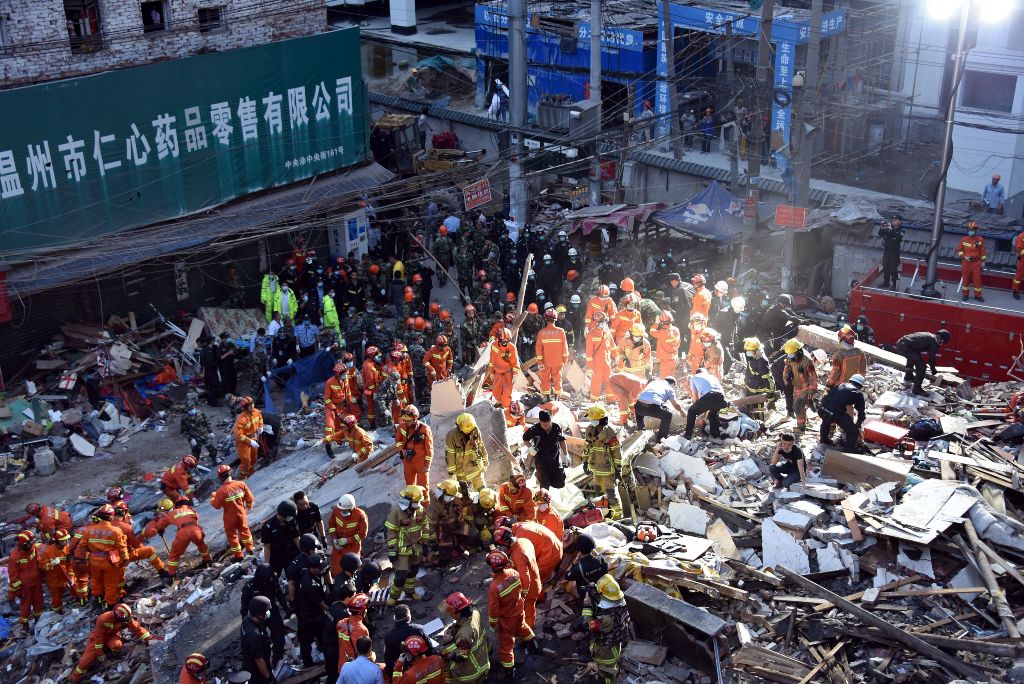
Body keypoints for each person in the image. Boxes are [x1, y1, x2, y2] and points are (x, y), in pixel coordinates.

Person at [485, 550, 537, 680]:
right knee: (523, 627)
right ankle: (533, 645)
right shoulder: (514, 573)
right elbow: (519, 590)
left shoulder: (494, 587)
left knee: (506, 644)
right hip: (519, 610)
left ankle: (509, 673)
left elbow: (493, 609)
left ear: (493, 567)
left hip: (507, 618)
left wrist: (492, 624)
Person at [71, 603, 156, 681]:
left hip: (112, 635)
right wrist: (100, 653)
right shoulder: (103, 619)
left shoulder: (126, 618)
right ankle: (75, 678)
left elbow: (137, 629)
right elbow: (99, 637)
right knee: (86, 659)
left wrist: (149, 639)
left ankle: (112, 655)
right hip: (98, 637)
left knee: (117, 645)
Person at [142, 497, 212, 577]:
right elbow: (193, 521)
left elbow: (162, 523)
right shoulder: (193, 511)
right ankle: (208, 560)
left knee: (174, 554)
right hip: (196, 530)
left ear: (177, 505)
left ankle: (171, 575)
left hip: (183, 533)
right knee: (201, 545)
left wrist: (160, 529)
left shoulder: (173, 513)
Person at [79, 504, 130, 608]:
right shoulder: (116, 531)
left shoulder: (89, 530)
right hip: (109, 562)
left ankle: (97, 599)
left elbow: (83, 547)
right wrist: (125, 559)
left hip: (94, 561)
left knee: (95, 581)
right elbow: (122, 548)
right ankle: (109, 605)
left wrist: (89, 555)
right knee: (110, 584)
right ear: (111, 517)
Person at [582, 405, 626, 519]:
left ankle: (618, 518)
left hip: (608, 470)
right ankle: (604, 517)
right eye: (591, 420)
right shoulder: (589, 430)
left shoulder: (610, 433)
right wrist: (585, 462)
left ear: (602, 420)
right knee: (599, 495)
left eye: (594, 420)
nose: (592, 422)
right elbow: (586, 446)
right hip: (596, 469)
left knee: (612, 496)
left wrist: (618, 470)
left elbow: (617, 453)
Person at [586, 575, 631, 684]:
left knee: (605, 675)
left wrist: (586, 606)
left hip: (605, 655)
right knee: (612, 668)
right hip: (616, 646)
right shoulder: (621, 603)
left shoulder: (605, 621)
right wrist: (595, 593)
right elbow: (607, 602)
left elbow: (588, 625)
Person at [385, 485, 426, 606]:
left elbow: (425, 526)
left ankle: (410, 591)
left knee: (413, 571)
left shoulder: (420, 509)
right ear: (409, 501)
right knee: (401, 576)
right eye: (415, 502)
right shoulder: (396, 511)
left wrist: (427, 544)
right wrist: (392, 551)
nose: (418, 504)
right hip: (401, 550)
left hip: (416, 548)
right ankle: (394, 596)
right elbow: (391, 532)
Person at [240, 565, 286, 667]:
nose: (268, 580)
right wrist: (246, 623)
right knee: (263, 643)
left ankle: (276, 662)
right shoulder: (249, 587)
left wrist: (287, 609)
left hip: (272, 611)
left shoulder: (272, 579)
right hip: (258, 617)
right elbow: (244, 607)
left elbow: (279, 595)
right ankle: (265, 665)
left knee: (279, 638)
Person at [439, 591, 490, 683]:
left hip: (471, 674)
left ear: (458, 613)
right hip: (483, 660)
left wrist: (448, 643)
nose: (450, 615)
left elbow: (461, 656)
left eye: (451, 613)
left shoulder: (463, 636)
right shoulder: (475, 612)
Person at [210, 465, 255, 560]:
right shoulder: (241, 484)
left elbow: (216, 506)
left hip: (229, 518)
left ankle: (239, 556)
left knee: (232, 535)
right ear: (230, 472)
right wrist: (249, 506)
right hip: (241, 513)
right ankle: (250, 549)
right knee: (245, 531)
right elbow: (250, 497)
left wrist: (213, 497)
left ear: (220, 477)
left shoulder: (220, 491)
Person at [295, 553, 330, 667]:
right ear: (312, 568)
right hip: (308, 616)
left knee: (320, 634)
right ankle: (308, 664)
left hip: (316, 612)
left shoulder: (316, 572)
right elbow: (321, 604)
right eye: (319, 568)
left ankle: (321, 650)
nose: (322, 570)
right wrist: (332, 612)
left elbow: (327, 572)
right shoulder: (309, 584)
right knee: (306, 641)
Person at [445, 413, 489, 495]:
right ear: (459, 427)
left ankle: (485, 502)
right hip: (461, 470)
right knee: (463, 493)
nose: (468, 432)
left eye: (469, 430)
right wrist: (452, 474)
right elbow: (450, 456)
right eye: (465, 431)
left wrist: (485, 462)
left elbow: (481, 447)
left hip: (475, 466)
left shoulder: (475, 431)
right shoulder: (451, 436)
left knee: (482, 489)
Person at [523, 409, 569, 489]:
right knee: (545, 485)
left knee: (560, 484)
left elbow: (562, 441)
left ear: (551, 421)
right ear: (540, 422)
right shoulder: (534, 429)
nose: (546, 427)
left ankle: (545, 479)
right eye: (543, 425)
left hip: (555, 459)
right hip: (541, 460)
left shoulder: (556, 427)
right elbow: (525, 439)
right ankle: (540, 478)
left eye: (548, 424)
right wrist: (531, 448)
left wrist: (566, 455)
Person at [819, 374, 866, 451]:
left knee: (826, 421)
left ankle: (823, 440)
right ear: (860, 385)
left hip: (822, 409)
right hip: (835, 413)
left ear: (850, 380)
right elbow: (861, 412)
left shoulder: (840, 385)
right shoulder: (858, 393)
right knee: (853, 431)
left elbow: (829, 396)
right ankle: (848, 449)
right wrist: (858, 424)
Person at [896, 329, 950, 396]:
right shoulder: (934, 342)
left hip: (902, 344)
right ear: (942, 339)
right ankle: (916, 389)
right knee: (922, 366)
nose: (941, 344)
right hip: (905, 346)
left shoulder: (930, 336)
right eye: (943, 342)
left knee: (914, 357)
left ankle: (908, 376)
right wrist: (933, 369)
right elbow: (931, 358)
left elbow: (915, 346)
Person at [7, 530, 43, 628]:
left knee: (39, 602)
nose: (32, 545)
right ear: (23, 544)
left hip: (36, 582)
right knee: (25, 606)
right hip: (25, 587)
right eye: (30, 544)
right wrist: (19, 589)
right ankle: (25, 624)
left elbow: (38, 559)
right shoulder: (15, 557)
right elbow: (13, 575)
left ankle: (38, 620)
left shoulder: (33, 548)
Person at [383, 604, 428, 682]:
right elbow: (430, 649)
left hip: (403, 673)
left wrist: (391, 678)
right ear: (408, 617)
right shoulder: (419, 629)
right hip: (422, 667)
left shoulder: (389, 637)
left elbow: (389, 660)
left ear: (395, 618)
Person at [634, 376, 686, 442]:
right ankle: (661, 439)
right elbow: (675, 405)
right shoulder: (670, 388)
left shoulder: (654, 382)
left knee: (639, 413)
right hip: (651, 407)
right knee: (668, 415)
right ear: (672, 384)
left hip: (638, 406)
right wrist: (681, 411)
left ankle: (640, 431)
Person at [782, 339, 818, 431]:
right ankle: (805, 418)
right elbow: (786, 369)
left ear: (798, 352)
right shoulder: (789, 359)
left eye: (792, 354)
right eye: (789, 354)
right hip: (796, 387)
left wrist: (812, 390)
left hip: (806, 387)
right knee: (800, 407)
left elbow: (813, 377)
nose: (790, 356)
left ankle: (801, 427)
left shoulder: (807, 361)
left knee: (798, 406)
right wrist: (786, 377)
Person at [328, 494, 368, 576]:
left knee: (352, 568)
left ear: (352, 507)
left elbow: (363, 534)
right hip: (338, 544)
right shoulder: (336, 511)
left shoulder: (360, 515)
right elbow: (331, 525)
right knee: (336, 568)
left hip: (353, 546)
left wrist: (348, 540)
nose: (343, 512)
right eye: (341, 510)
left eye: (345, 510)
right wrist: (334, 539)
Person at [684, 368, 728, 441]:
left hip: (710, 396)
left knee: (691, 411)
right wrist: (704, 412)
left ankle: (687, 435)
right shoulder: (712, 377)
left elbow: (695, 397)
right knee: (712, 415)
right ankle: (715, 436)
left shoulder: (694, 378)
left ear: (697, 373)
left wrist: (698, 411)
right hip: (722, 399)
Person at [396, 405, 433, 492]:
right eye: (405, 420)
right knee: (410, 487)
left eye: (409, 420)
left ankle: (424, 504)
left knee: (423, 487)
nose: (407, 422)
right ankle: (413, 503)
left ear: (415, 418)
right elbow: (398, 441)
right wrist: (402, 450)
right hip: (408, 461)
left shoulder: (424, 429)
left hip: (421, 463)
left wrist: (427, 465)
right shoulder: (401, 427)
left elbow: (429, 449)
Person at [536, 308, 569, 401]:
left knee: (545, 380)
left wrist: (540, 362)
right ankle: (557, 400)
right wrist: (565, 359)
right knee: (557, 380)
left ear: (546, 319)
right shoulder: (561, 331)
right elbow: (565, 348)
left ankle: (547, 399)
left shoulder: (541, 332)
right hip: (558, 362)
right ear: (555, 319)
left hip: (545, 362)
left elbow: (538, 349)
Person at [261, 500, 300, 576]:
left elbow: (296, 538)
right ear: (282, 515)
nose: (291, 518)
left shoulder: (291, 521)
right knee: (273, 576)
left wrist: (304, 551)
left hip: (291, 552)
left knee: (293, 575)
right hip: (276, 556)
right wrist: (267, 565)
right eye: (289, 517)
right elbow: (267, 547)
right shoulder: (268, 527)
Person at [241, 596, 275, 684]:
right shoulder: (255, 635)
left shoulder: (247, 621)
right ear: (260, 613)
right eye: (266, 611)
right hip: (257, 672)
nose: (268, 613)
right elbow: (259, 660)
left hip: (249, 663)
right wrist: (268, 678)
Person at [39, 528, 75, 612]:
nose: (65, 542)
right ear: (57, 541)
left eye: (66, 539)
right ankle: (57, 612)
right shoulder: (48, 551)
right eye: (63, 540)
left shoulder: (67, 548)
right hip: (53, 579)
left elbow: (70, 564)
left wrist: (72, 577)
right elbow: (42, 566)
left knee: (76, 589)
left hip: (65, 576)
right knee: (56, 598)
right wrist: (52, 564)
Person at [487, 327, 520, 409]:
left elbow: (515, 362)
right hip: (497, 371)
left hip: (507, 371)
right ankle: (500, 402)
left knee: (507, 391)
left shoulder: (512, 347)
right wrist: (491, 371)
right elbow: (492, 359)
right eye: (503, 341)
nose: (505, 343)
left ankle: (506, 406)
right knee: (496, 390)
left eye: (506, 341)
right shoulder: (494, 345)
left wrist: (515, 374)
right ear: (499, 339)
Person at [233, 396, 264, 479]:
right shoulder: (241, 419)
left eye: (253, 404)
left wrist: (261, 426)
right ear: (246, 408)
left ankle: (250, 472)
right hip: (243, 443)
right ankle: (242, 477)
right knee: (246, 461)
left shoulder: (256, 412)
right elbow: (239, 435)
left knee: (254, 459)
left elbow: (260, 418)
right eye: (251, 406)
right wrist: (249, 441)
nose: (253, 407)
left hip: (254, 438)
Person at [957, 221, 986, 301]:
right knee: (965, 279)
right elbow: (959, 250)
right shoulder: (963, 239)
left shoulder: (980, 240)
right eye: (969, 229)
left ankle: (978, 295)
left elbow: (983, 252)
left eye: (972, 229)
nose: (971, 231)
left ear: (976, 230)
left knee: (977, 279)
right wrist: (964, 257)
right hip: (966, 262)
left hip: (976, 262)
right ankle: (965, 294)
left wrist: (983, 262)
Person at [649, 311, 681, 380]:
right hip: (674, 357)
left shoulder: (662, 333)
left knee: (664, 378)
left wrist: (656, 323)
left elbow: (652, 331)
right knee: (671, 376)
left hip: (666, 359)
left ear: (661, 322)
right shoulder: (676, 330)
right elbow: (678, 344)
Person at [879, 214, 904, 290]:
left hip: (894, 252)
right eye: (892, 220)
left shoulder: (901, 231)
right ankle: (886, 282)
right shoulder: (889, 228)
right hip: (887, 250)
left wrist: (890, 229)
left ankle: (894, 284)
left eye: (895, 220)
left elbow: (898, 237)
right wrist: (882, 227)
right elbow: (880, 234)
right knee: (885, 266)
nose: (893, 221)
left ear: (900, 221)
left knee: (893, 269)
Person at [1014, 228, 1024, 300]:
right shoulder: (1021, 236)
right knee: (1019, 276)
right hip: (1023, 259)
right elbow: (1019, 249)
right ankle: (1015, 290)